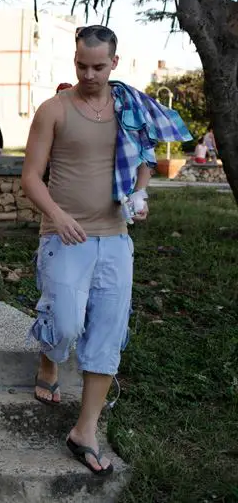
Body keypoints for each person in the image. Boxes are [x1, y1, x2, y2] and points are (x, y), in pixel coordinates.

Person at [21, 24, 190, 477]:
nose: (89, 73)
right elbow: (31, 177)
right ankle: (50, 356)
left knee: (108, 334)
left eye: (98, 66)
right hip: (64, 236)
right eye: (81, 65)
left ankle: (86, 430)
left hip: (115, 237)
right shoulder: (54, 110)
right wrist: (56, 216)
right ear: (74, 59)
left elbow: (144, 158)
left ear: (115, 62)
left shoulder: (129, 108)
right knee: (66, 323)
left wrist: (140, 195)